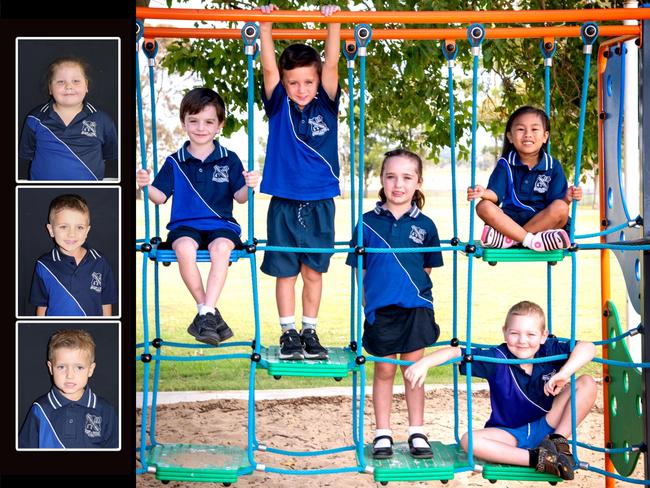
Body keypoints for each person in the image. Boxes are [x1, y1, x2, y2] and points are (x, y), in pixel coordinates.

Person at [405, 301, 597, 479]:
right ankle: (539, 459)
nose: (522, 340)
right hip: (509, 434)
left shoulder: (549, 350)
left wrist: (564, 373)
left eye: (531, 334)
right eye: (514, 333)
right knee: (469, 441)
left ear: (543, 336)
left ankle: (558, 441)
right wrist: (425, 363)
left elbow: (588, 347)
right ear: (505, 333)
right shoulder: (497, 358)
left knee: (586, 382)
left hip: (548, 424)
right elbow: (457, 352)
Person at [136, 87, 258, 347]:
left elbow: (240, 197)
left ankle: (205, 312)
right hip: (185, 226)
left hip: (221, 226)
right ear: (183, 123)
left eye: (208, 122)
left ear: (219, 126)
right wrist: (144, 185)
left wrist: (250, 184)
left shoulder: (229, 159)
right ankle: (208, 312)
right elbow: (159, 197)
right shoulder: (174, 161)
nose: (200, 127)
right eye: (193, 121)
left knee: (222, 249)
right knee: (183, 248)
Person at [346, 149, 443, 460]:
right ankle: (383, 432)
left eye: (406, 177)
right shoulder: (366, 223)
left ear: (418, 182)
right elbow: (361, 269)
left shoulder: (426, 225)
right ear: (382, 180)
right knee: (385, 370)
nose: (398, 184)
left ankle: (417, 430)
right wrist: (369, 301)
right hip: (381, 310)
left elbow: (425, 269)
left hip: (416, 309)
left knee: (413, 372)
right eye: (391, 176)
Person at [257, 4, 341, 361]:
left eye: (308, 81)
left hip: (321, 200)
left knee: (313, 272)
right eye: (294, 82)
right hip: (285, 202)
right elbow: (268, 65)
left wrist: (334, 21)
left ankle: (310, 329)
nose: (301, 88)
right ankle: (288, 332)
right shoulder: (279, 105)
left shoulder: (327, 104)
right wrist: (266, 24)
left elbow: (333, 61)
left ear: (318, 80)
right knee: (285, 273)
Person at [467, 106, 582, 251]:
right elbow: (495, 195)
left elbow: (557, 203)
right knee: (483, 206)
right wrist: (483, 193)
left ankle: (512, 240)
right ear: (510, 136)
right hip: (510, 220)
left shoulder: (552, 166)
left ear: (545, 136)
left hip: (541, 222)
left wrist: (568, 197)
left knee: (561, 208)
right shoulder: (505, 163)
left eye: (534, 129)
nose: (528, 134)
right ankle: (531, 241)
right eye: (521, 129)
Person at [19, 56, 117, 181]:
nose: (68, 86)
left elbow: (110, 155)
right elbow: (27, 153)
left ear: (86, 86)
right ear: (50, 88)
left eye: (76, 81)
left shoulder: (102, 120)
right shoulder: (35, 118)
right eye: (60, 82)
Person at [19, 329, 118, 448]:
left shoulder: (105, 410)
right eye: (61, 367)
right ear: (51, 368)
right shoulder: (39, 409)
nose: (69, 375)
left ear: (90, 369)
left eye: (79, 367)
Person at [30, 194, 117, 316]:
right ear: (51, 230)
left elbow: (106, 302)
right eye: (64, 227)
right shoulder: (43, 265)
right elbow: (42, 305)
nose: (72, 234)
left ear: (87, 231)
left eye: (79, 227)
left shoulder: (100, 261)